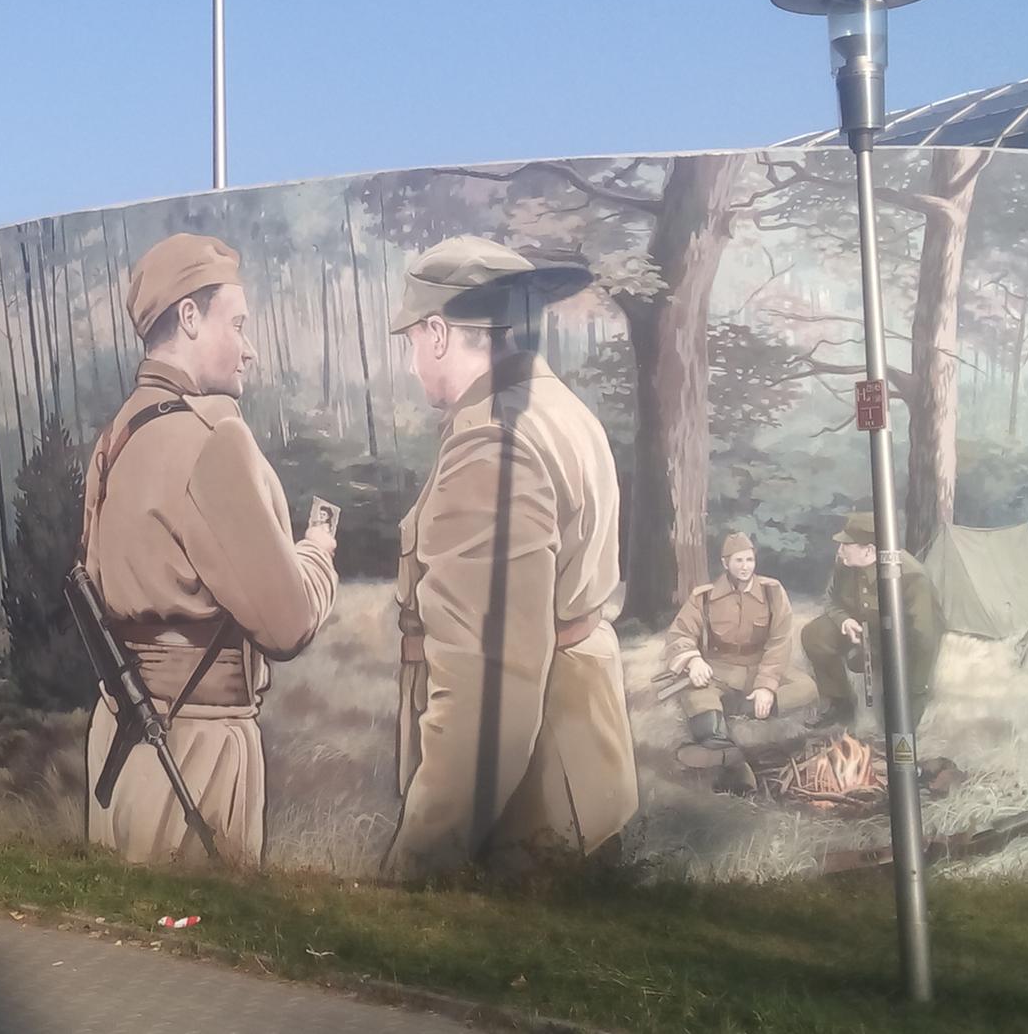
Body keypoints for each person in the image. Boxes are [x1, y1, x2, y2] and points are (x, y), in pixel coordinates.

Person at [81, 232, 339, 866]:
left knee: (131, 942)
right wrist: (317, 553)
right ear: (190, 317)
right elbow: (289, 623)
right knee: (199, 934)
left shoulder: (114, 440)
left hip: (119, 736)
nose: (249, 348)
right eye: (239, 323)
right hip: (195, 752)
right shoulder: (213, 438)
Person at [382, 236, 634, 878]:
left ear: (438, 333)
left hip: (529, 807)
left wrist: (419, 864)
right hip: (580, 771)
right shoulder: (562, 412)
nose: (412, 362)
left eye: (411, 339)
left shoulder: (492, 440)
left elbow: (488, 689)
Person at [665, 531, 813, 758]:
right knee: (696, 694)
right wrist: (694, 660)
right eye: (739, 560)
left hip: (759, 667)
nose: (745, 567)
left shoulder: (772, 592)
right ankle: (717, 744)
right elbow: (680, 633)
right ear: (725, 563)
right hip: (720, 669)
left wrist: (766, 686)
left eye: (749, 560)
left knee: (805, 687)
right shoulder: (704, 597)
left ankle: (737, 706)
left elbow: (780, 642)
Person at [800, 512, 944, 730]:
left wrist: (915, 690)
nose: (839, 551)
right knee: (814, 634)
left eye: (846, 545)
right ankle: (839, 703)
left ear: (869, 550)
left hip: (898, 642)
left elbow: (923, 638)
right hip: (859, 632)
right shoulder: (845, 564)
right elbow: (830, 599)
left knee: (893, 722)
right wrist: (844, 621)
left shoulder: (912, 577)